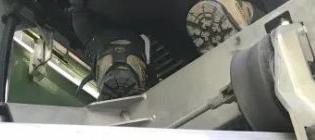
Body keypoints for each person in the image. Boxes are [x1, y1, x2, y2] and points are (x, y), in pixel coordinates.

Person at [68, 1, 260, 99]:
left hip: (92, 12)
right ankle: (225, 6)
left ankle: (120, 59)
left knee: (107, 34)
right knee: (185, 18)